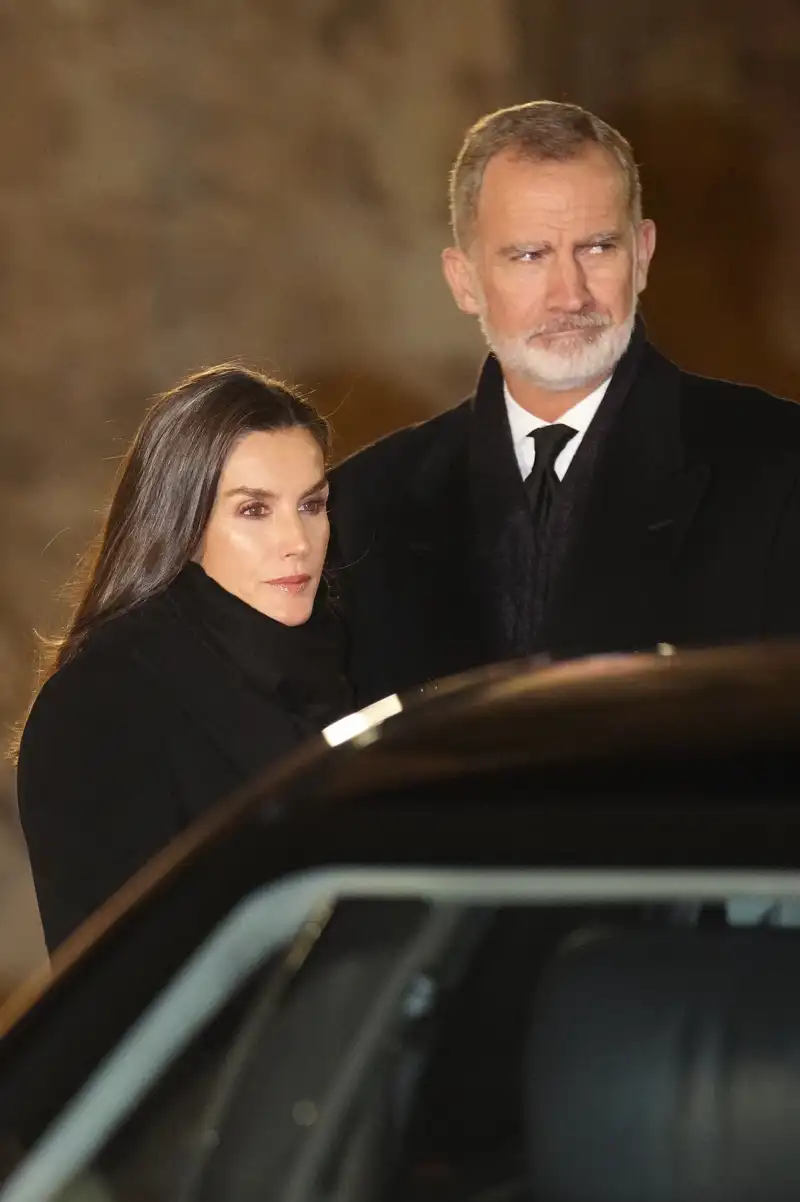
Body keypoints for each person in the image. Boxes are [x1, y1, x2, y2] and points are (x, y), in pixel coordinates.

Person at [330, 100, 800, 707]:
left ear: (643, 255)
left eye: (598, 247)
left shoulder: (780, 465)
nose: (569, 294)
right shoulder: (365, 506)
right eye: (529, 255)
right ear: (464, 280)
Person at [13, 366, 351, 952]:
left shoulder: (339, 659)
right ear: (183, 523)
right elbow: (124, 979)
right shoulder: (101, 704)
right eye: (254, 510)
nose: (297, 539)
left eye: (312, 504)